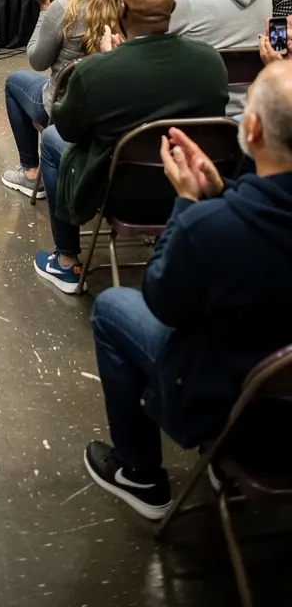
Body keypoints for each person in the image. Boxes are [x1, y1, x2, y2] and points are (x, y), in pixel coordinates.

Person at [85, 63, 292, 519]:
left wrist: (187, 205)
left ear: (252, 128)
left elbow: (164, 302)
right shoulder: (228, 216)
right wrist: (223, 194)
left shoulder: (210, 229)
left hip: (232, 394)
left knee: (112, 306)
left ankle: (139, 472)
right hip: (280, 387)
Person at [34, 0, 229, 294]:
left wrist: (106, 63)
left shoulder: (96, 70)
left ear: (121, 10)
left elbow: (68, 127)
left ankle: (66, 260)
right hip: (191, 187)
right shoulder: (211, 61)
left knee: (53, 140)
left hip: (120, 192)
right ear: (172, 10)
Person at [2, 0, 127, 196]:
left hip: (63, 107)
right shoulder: (128, 6)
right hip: (111, 109)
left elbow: (37, 60)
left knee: (14, 82)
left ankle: (30, 172)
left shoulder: (64, 8)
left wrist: (47, 9)